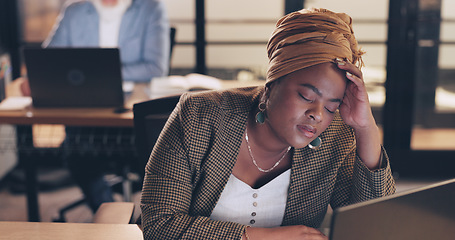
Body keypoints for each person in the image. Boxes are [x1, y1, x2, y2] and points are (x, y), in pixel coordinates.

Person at [140, 8, 395, 240]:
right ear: (270, 86)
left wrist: (365, 128)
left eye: (331, 106)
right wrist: (266, 237)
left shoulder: (335, 135)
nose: (318, 115)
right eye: (306, 96)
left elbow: (375, 226)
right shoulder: (200, 116)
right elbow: (160, 226)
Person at [17, 0, 169, 213]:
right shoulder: (75, 11)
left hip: (131, 116)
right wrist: (32, 78)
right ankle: (108, 213)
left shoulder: (149, 8)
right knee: (76, 151)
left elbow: (155, 68)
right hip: (86, 110)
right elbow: (49, 60)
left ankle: (153, 215)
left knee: (157, 153)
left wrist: (101, 74)